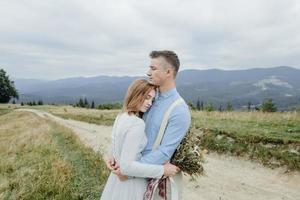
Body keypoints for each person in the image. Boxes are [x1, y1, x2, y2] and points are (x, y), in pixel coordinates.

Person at [108, 50, 191, 199]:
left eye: (153, 68)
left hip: (147, 180)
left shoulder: (179, 110)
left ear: (168, 72)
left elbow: (165, 152)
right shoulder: (147, 97)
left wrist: (129, 171)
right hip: (127, 172)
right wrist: (111, 157)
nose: (148, 72)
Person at [100, 79, 180, 200]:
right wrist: (162, 170)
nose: (150, 103)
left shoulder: (120, 117)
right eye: (147, 97)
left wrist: (110, 159)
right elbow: (127, 167)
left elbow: (113, 147)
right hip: (132, 186)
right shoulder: (137, 124)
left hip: (116, 183)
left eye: (152, 99)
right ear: (136, 94)